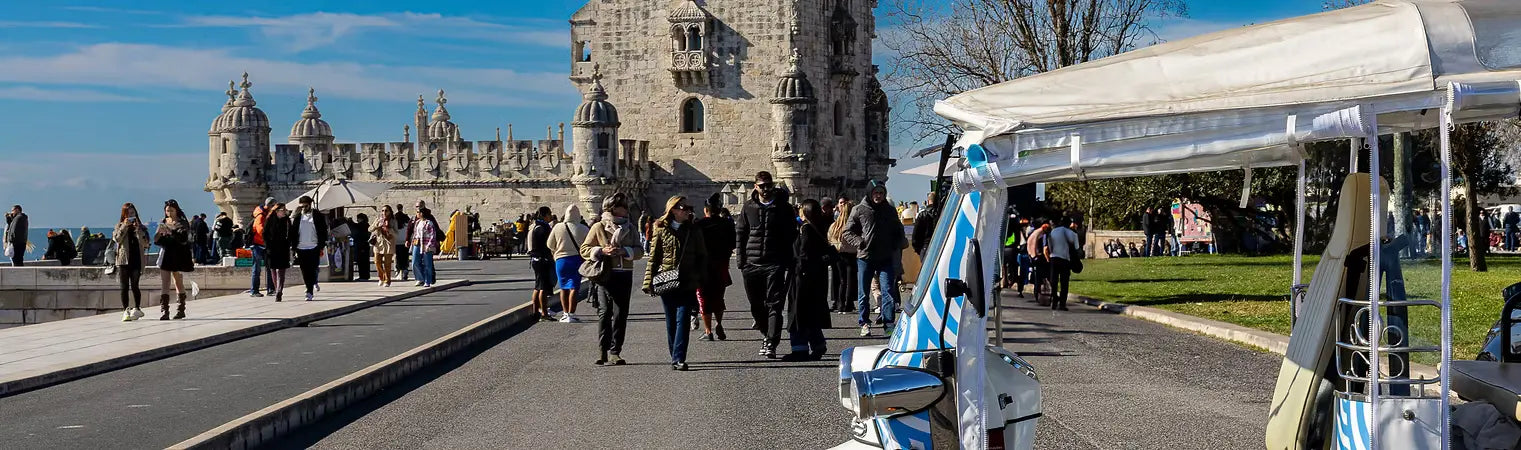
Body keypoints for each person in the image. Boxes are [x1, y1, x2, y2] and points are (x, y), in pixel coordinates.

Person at [736, 171, 799, 358]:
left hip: (774, 263)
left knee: (774, 304)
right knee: (756, 305)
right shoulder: (748, 207)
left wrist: (788, 261)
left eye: (768, 185)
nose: (765, 189)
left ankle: (771, 341)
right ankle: (765, 333)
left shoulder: (784, 208)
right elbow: (741, 234)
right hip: (751, 264)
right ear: (755, 187)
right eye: (762, 186)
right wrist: (741, 261)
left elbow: (791, 236)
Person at [643, 195, 707, 371]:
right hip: (667, 279)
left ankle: (679, 357)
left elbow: (702, 256)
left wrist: (701, 278)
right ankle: (674, 355)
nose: (688, 211)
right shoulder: (660, 228)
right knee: (671, 320)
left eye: (689, 208)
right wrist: (648, 282)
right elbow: (654, 258)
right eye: (684, 208)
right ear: (673, 210)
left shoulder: (693, 229)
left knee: (683, 319)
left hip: (688, 280)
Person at [582, 193, 643, 366]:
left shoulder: (630, 228)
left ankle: (616, 351)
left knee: (620, 314)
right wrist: (601, 251)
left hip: (624, 274)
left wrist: (625, 251)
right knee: (604, 313)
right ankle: (602, 350)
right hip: (605, 274)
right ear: (612, 208)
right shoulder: (599, 227)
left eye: (625, 206)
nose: (625, 209)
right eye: (622, 206)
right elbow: (584, 249)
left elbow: (639, 250)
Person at [843, 181, 904, 337]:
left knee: (888, 291)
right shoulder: (859, 210)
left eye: (881, 193)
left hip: (885, 257)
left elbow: (898, 229)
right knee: (863, 293)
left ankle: (888, 323)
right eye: (876, 193)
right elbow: (847, 231)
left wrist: (897, 242)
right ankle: (864, 322)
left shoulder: (890, 210)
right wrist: (859, 242)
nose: (878, 196)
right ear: (870, 193)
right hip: (866, 257)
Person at [787, 199, 835, 361]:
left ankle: (799, 349)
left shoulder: (806, 229)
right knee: (811, 312)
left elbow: (804, 254)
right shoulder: (819, 226)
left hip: (803, 277)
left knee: (798, 312)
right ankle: (818, 344)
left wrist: (797, 267)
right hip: (817, 276)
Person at [694, 193, 736, 340]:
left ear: (706, 210)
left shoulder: (699, 225)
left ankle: (708, 330)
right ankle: (719, 323)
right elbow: (733, 243)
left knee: (703, 297)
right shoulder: (727, 224)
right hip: (721, 265)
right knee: (718, 297)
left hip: (702, 266)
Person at [547, 204, 591, 322]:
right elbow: (589, 245)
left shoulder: (558, 227)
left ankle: (565, 313)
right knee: (574, 287)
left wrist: (557, 250)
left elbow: (550, 244)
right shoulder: (583, 228)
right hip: (577, 260)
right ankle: (571, 313)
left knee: (563, 287)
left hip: (561, 260)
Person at [155, 200, 195, 320]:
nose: (169, 213)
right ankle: (164, 310)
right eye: (167, 211)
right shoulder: (163, 222)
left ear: (176, 210)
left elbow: (183, 238)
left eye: (171, 210)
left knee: (178, 281)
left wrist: (171, 230)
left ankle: (180, 309)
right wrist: (159, 233)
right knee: (165, 282)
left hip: (178, 254)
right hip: (166, 253)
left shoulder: (182, 223)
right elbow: (156, 240)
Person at [113, 203, 150, 321]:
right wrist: (124, 226)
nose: (130, 216)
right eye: (128, 214)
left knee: (135, 285)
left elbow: (146, 244)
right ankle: (126, 310)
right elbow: (117, 239)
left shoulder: (142, 228)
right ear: (124, 215)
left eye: (132, 213)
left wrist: (138, 230)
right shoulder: (119, 226)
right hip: (123, 260)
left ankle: (137, 308)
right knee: (123, 286)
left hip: (137, 259)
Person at [291, 196, 328, 301]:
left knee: (312, 268)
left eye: (305, 206)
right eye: (301, 206)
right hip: (301, 247)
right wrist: (293, 247)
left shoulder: (317, 215)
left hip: (314, 246)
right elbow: (293, 231)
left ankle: (311, 287)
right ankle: (309, 289)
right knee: (304, 270)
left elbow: (323, 230)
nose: (303, 208)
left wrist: (322, 245)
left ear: (310, 205)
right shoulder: (298, 216)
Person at [828, 198, 858, 314]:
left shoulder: (835, 225)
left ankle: (840, 304)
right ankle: (848, 303)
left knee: (842, 280)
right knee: (850, 280)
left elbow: (830, 238)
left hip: (839, 254)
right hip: (851, 254)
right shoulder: (853, 225)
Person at [526, 206, 556, 321]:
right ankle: (544, 313)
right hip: (542, 260)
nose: (551, 216)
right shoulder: (542, 228)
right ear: (545, 215)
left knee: (538, 286)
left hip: (536, 260)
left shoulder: (535, 226)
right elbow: (547, 245)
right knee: (543, 287)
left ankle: (536, 311)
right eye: (549, 214)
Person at [1047, 217, 1082, 311]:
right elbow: (1077, 248)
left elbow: (1049, 244)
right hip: (1065, 259)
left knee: (1053, 281)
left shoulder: (1054, 231)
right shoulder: (1072, 234)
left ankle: (1054, 298)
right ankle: (1062, 304)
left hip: (1054, 258)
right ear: (1069, 224)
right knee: (1064, 283)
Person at [262, 203, 293, 301]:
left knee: (281, 271)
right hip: (272, 248)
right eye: (282, 210)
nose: (284, 212)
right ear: (276, 211)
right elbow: (265, 233)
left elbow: (291, 233)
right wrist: (268, 245)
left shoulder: (287, 220)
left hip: (283, 247)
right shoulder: (270, 220)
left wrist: (289, 243)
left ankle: (279, 290)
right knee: (273, 270)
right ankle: (276, 289)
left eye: (285, 210)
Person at [250, 198, 276, 296]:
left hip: (265, 244)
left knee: (270, 267)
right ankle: (254, 290)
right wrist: (269, 238)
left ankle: (271, 289)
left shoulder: (267, 214)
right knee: (256, 269)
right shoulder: (260, 215)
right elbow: (260, 230)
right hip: (258, 245)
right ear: (270, 205)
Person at [411, 208, 442, 287]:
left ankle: (427, 280)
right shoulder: (417, 222)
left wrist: (429, 245)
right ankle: (420, 278)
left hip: (426, 244)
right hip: (417, 243)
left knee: (427, 264)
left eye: (418, 212)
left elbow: (432, 235)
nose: (417, 214)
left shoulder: (429, 223)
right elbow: (415, 233)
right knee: (415, 262)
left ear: (422, 213)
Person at [1026, 219, 1051, 304]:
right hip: (1036, 257)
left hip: (1032, 256)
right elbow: (1034, 244)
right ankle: (1038, 294)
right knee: (1039, 277)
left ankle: (1037, 293)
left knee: (1037, 277)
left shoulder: (1035, 232)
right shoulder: (1040, 233)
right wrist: (1035, 256)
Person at [371, 206, 396, 287]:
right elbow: (370, 229)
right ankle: (381, 277)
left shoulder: (393, 221)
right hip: (378, 244)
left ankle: (387, 280)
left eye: (386, 211)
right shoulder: (378, 219)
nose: (384, 212)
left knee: (387, 264)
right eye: (382, 210)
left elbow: (396, 233)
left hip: (388, 244)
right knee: (377, 262)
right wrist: (376, 227)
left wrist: (388, 229)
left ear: (390, 211)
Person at [392, 204, 412, 282]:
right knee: (405, 256)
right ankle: (405, 270)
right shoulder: (406, 218)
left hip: (396, 240)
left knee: (397, 256)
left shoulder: (394, 218)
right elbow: (409, 229)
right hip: (405, 240)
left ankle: (398, 271)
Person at [352, 213, 372, 282]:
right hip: (365, 245)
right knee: (365, 262)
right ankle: (365, 276)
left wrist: (350, 222)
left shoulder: (361, 226)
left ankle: (363, 276)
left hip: (361, 246)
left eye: (358, 218)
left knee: (361, 262)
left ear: (361, 219)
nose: (357, 220)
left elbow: (356, 232)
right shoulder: (367, 225)